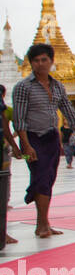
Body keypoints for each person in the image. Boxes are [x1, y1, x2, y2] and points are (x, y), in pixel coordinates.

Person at [13, 43, 75, 238]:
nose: (40, 64)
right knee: (41, 178)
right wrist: (26, 145)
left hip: (51, 137)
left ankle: (44, 222)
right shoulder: (23, 87)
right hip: (32, 137)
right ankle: (41, 225)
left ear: (51, 61)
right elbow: (19, 119)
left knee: (49, 178)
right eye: (36, 61)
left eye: (44, 60)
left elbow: (70, 114)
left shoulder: (57, 86)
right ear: (30, 63)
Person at [1, 85, 23, 249]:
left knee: (3, 192)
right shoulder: (6, 109)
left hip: (3, 152)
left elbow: (9, 129)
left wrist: (14, 147)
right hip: (3, 152)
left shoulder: (6, 110)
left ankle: (3, 233)